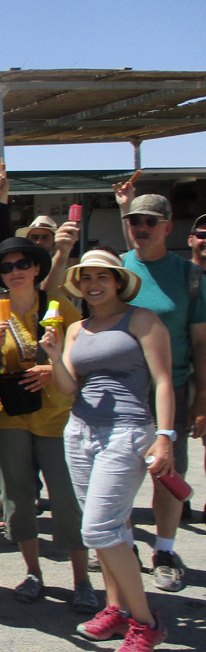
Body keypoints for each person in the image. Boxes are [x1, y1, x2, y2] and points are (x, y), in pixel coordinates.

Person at [42, 249, 173, 652]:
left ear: (119, 281)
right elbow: (67, 387)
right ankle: (115, 608)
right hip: (80, 431)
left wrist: (166, 436)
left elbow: (164, 381)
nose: (93, 284)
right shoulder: (78, 329)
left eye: (103, 276)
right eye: (86, 278)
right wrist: (53, 353)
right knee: (109, 528)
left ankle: (145, 623)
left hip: (128, 431)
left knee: (100, 529)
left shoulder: (142, 320)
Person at [0, 238, 96, 611]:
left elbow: (83, 354)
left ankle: (81, 580)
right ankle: (33, 572)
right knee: (18, 496)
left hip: (56, 414)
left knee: (66, 497)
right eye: (7, 268)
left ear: (37, 268)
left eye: (23, 263)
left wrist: (52, 368)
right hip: (8, 414)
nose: (15, 272)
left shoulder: (59, 306)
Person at [114, 188, 206, 591]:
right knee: (120, 473)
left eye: (151, 221)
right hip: (122, 391)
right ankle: (127, 546)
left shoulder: (189, 275)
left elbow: (201, 342)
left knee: (168, 474)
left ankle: (165, 550)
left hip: (174, 388)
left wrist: (202, 398)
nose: (142, 228)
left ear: (168, 227)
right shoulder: (116, 270)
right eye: (135, 220)